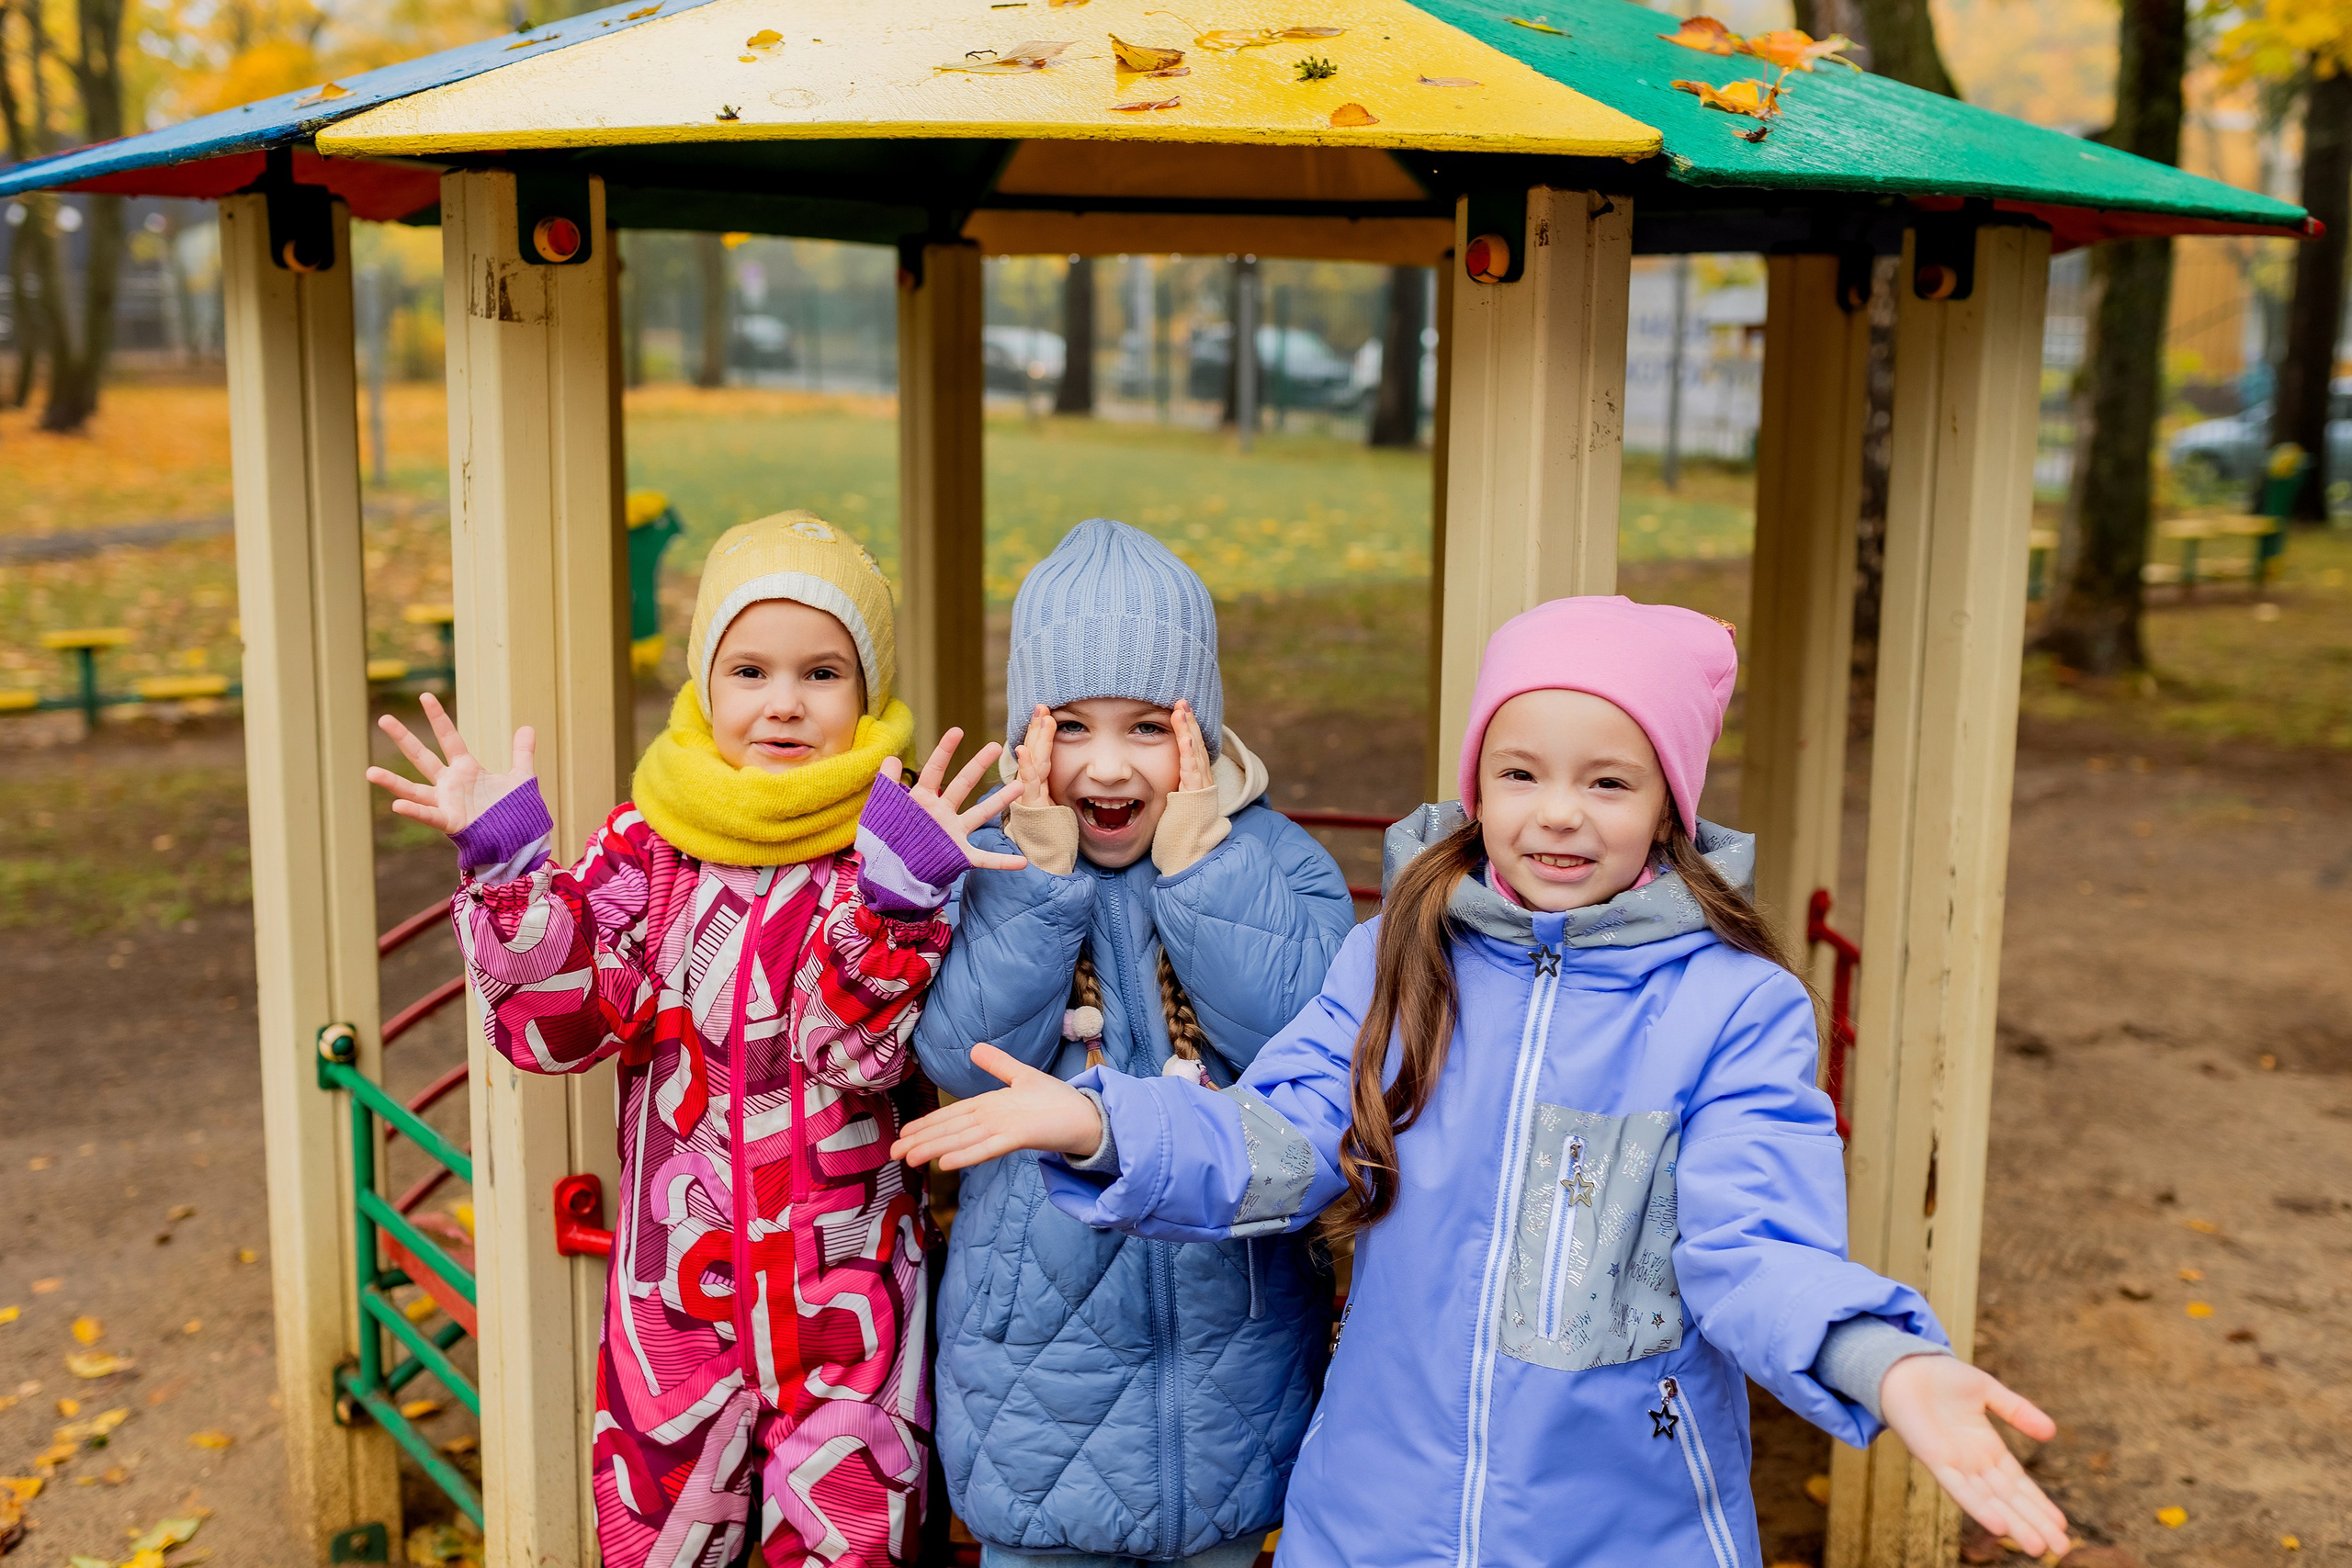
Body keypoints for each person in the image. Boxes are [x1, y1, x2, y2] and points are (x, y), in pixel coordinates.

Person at [894, 595, 2074, 1565]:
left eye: (1609, 782)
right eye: (1518, 773)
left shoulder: (1733, 1007)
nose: (1557, 813)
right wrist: (1103, 1124)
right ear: (1477, 787)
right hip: (1373, 1520)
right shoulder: (1401, 955)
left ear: (1670, 804)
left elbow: (1751, 1245)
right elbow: (1287, 1137)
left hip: (1622, 1529)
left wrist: (1884, 1358)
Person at [367, 513, 1023, 1568]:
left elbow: (854, 1059)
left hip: (851, 1308)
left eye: (821, 673)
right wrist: (508, 875)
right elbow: (565, 1030)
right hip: (676, 1305)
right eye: (749, 668)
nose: (783, 702)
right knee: (663, 1549)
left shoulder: (896, 849)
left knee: (848, 1547)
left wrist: (897, 909)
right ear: (703, 685)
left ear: (868, 694)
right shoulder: (649, 845)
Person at [911, 519, 1358, 1568]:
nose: (1105, 766)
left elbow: (1302, 1038)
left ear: (1200, 728)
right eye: (1070, 726)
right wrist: (1043, 884)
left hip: (1232, 1363)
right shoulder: (987, 866)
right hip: (1037, 1372)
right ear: (1028, 730)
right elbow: (956, 1051)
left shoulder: (1273, 862)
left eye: (1148, 727)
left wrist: (1204, 865)